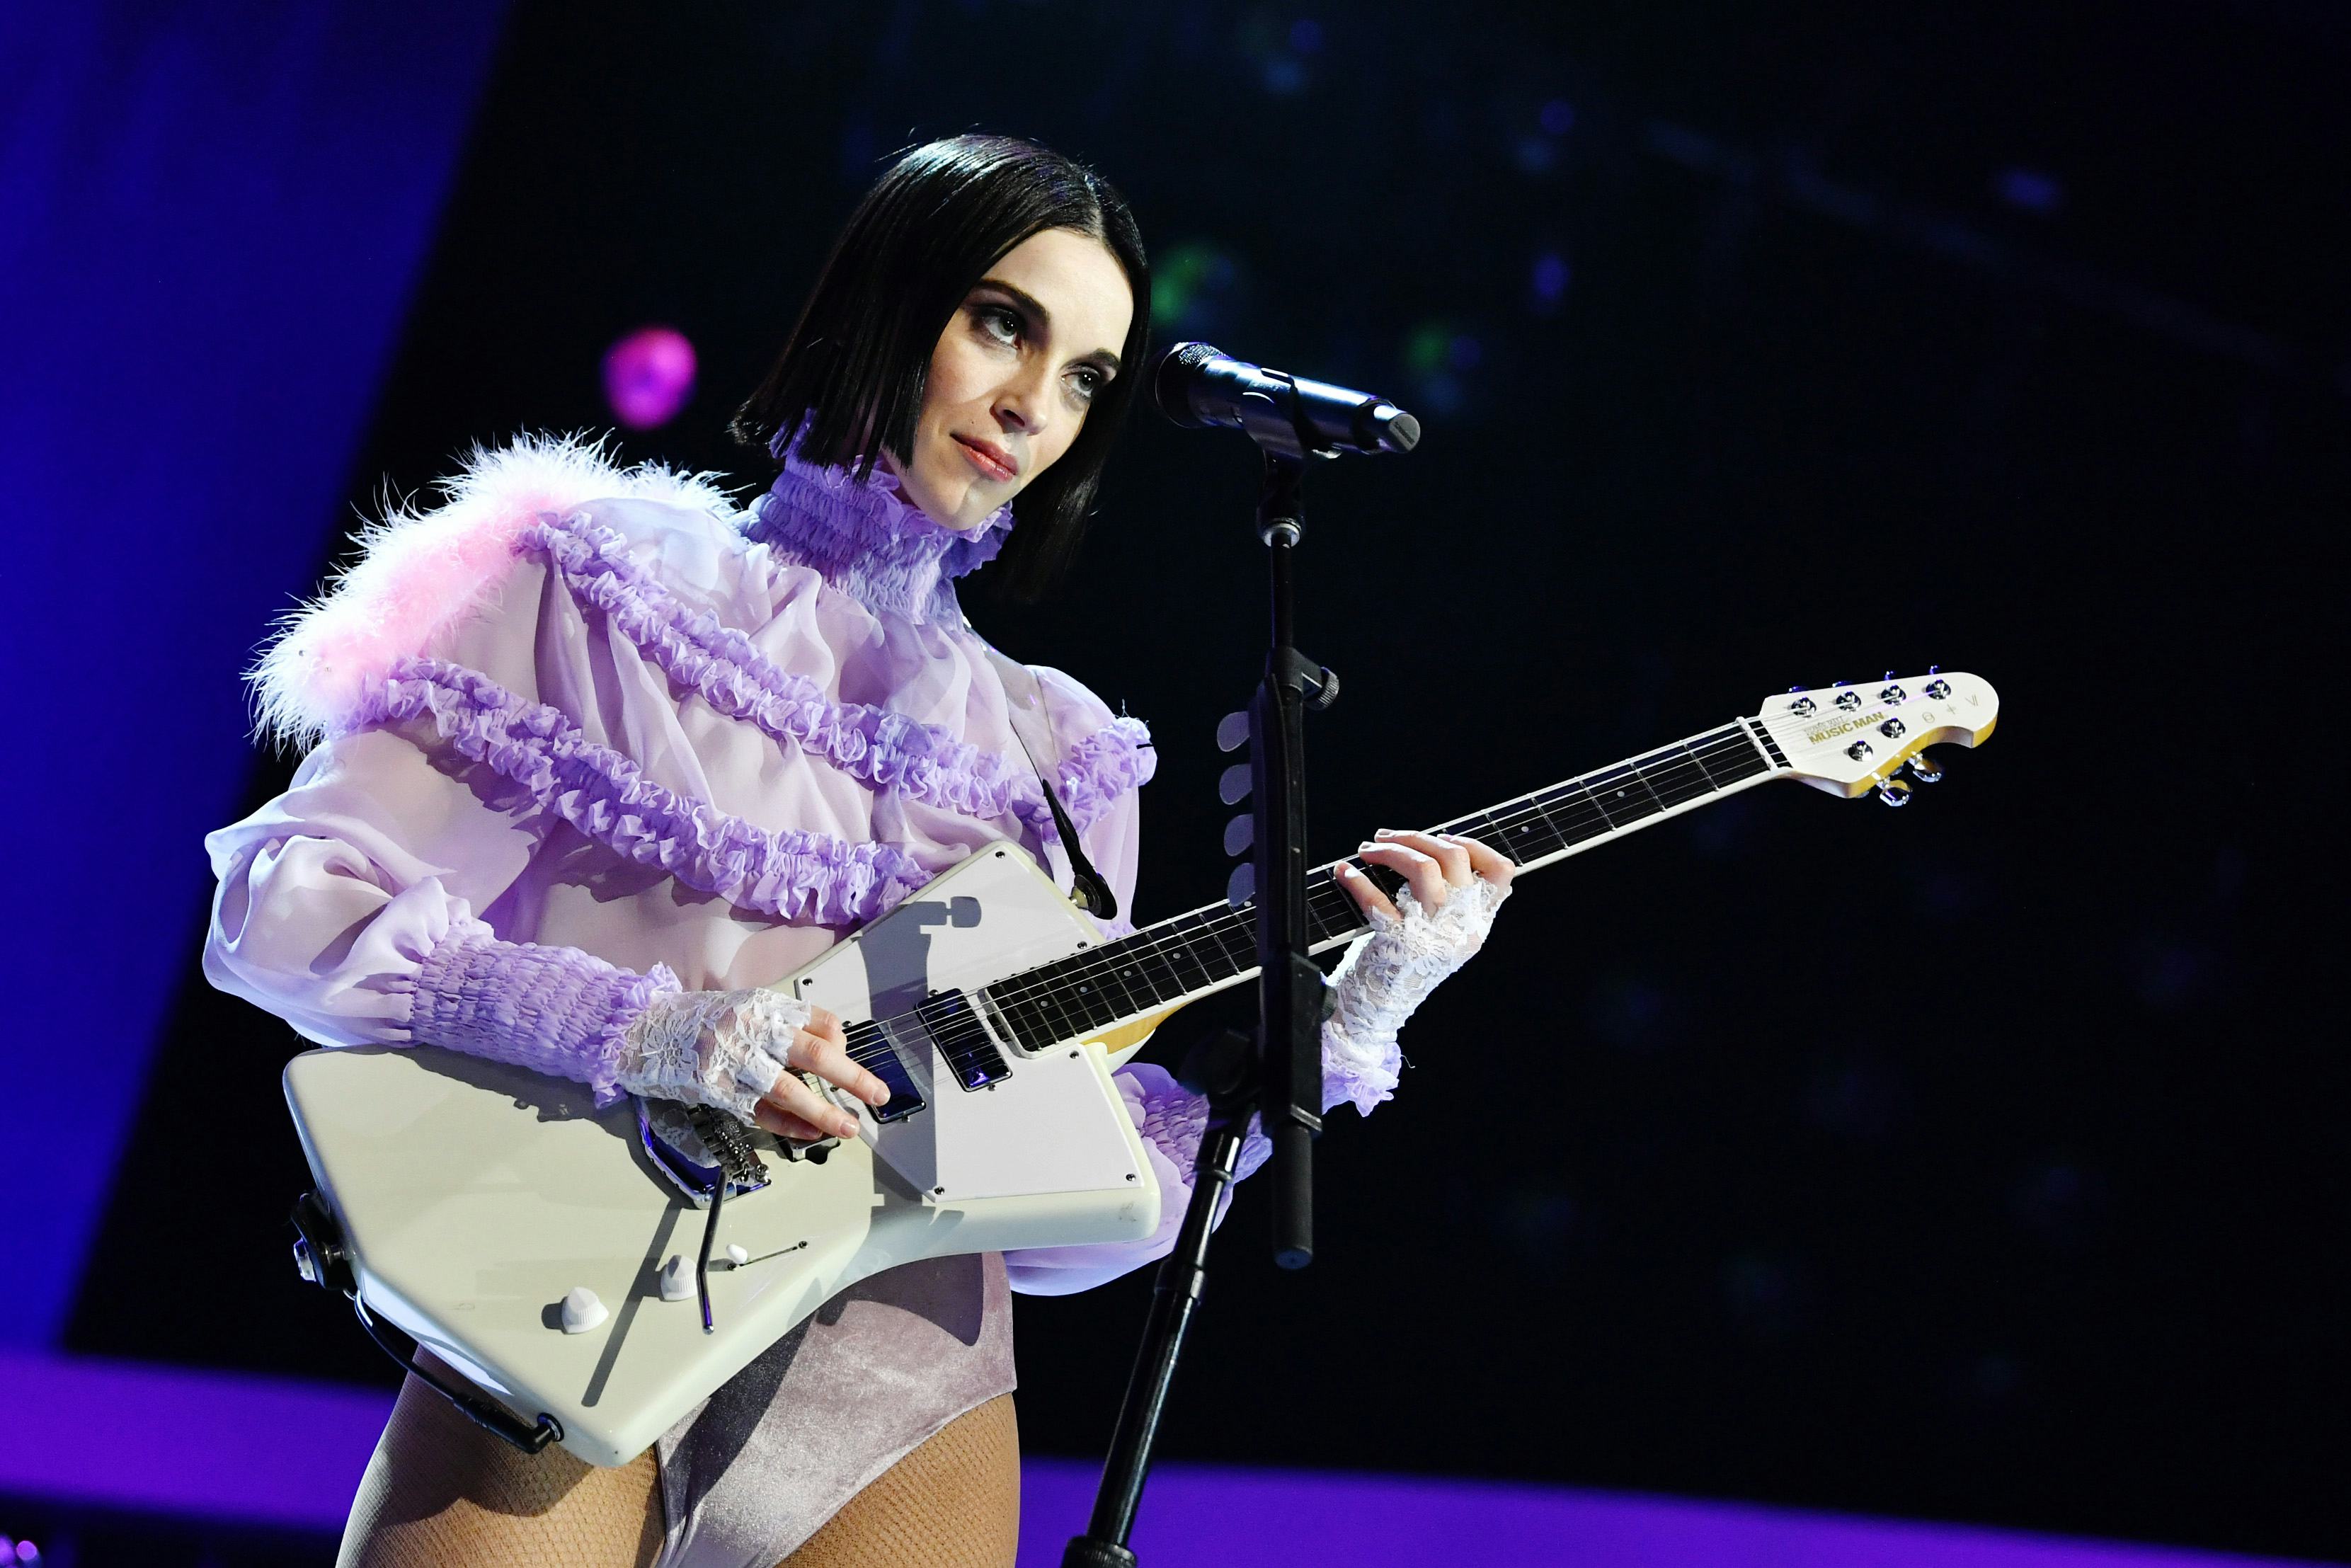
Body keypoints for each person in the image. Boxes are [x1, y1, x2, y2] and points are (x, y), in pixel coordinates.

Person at [205, 134, 1515, 1568]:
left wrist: (1344, 1017)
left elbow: (1055, 1198)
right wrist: (653, 1027)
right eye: (1003, 325)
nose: (1030, 404)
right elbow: (287, 906)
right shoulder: (587, 575)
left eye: (1083, 375)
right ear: (893, 300)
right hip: (572, 1287)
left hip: (899, 1381)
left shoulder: (1059, 756)